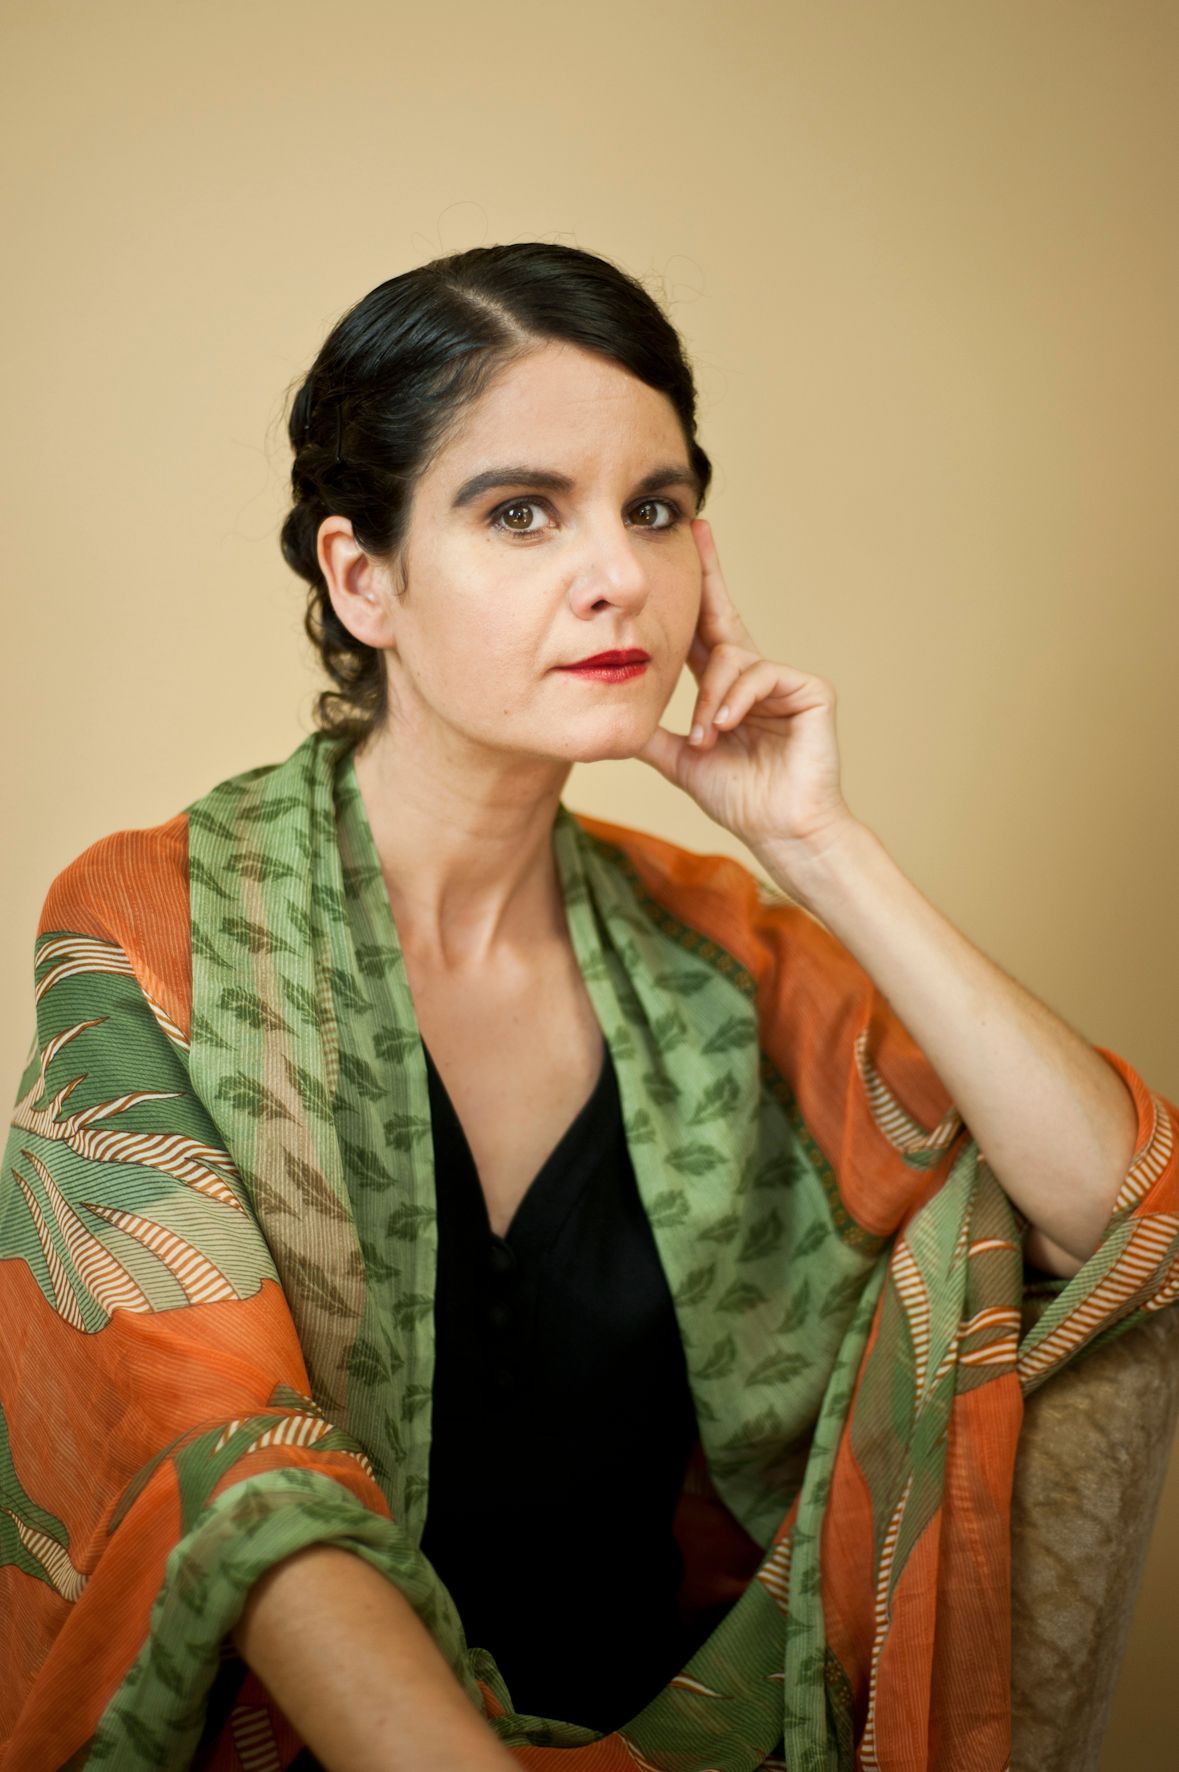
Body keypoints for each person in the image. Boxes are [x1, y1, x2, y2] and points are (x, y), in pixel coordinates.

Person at [2, 242, 1177, 1772]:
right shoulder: (154, 929)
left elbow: (1123, 1215)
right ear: (363, 579)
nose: (619, 573)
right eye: (522, 512)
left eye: (656, 508)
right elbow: (232, 1480)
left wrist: (820, 845)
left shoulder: (723, 957)